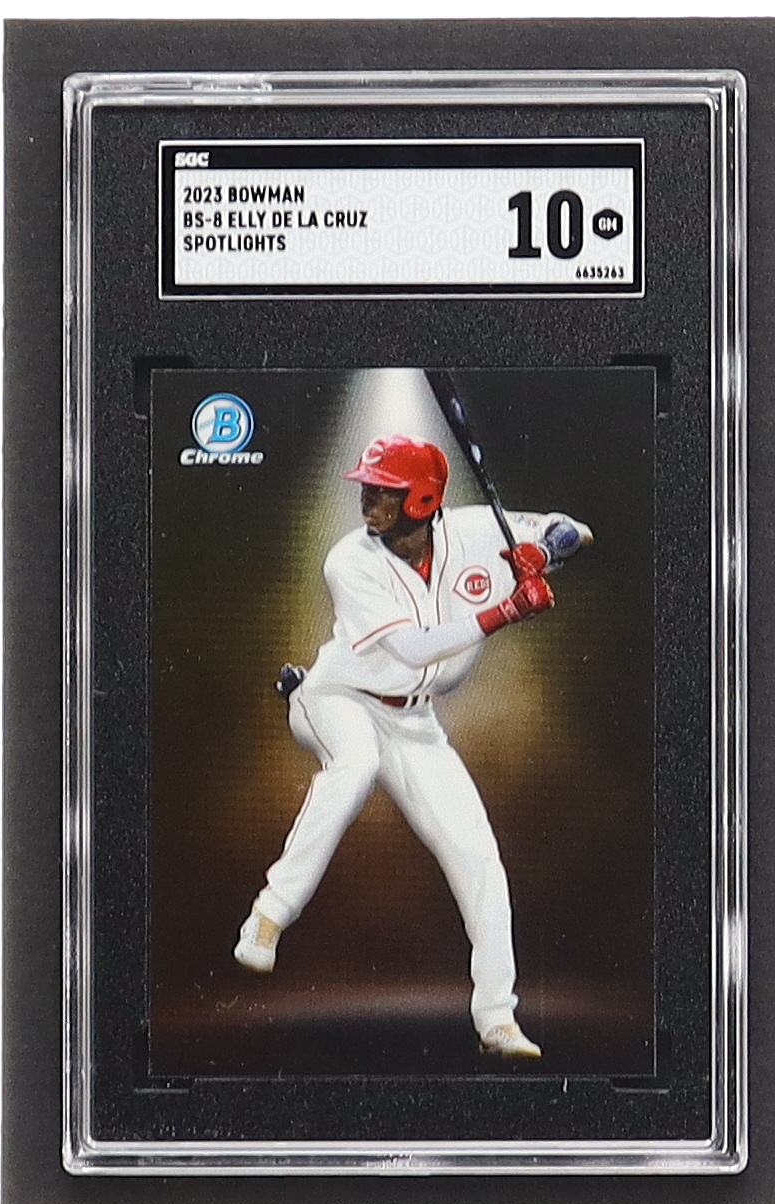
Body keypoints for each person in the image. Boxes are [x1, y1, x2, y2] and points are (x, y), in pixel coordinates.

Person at [235, 434, 592, 1056]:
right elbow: (414, 649)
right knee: (356, 765)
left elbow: (575, 530)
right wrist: (507, 609)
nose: (367, 499)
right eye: (368, 487)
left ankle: (497, 1021)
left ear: (422, 500)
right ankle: (267, 916)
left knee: (478, 856)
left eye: (384, 490)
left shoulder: (477, 530)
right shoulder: (348, 561)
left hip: (416, 722)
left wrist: (541, 550)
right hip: (337, 697)